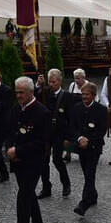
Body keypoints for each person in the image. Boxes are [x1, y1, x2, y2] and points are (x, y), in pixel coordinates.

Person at [6, 77, 50, 223]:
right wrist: (10, 148)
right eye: (16, 92)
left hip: (33, 162)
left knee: (23, 197)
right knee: (29, 194)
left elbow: (41, 142)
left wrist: (18, 150)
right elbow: (10, 131)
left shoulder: (42, 112)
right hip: (17, 161)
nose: (18, 96)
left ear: (31, 92)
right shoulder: (15, 109)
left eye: (21, 92)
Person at [70, 82, 107, 216]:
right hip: (80, 147)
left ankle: (84, 204)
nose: (84, 97)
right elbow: (72, 127)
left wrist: (89, 141)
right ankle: (93, 196)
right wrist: (80, 138)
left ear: (93, 95)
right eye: (83, 94)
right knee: (87, 174)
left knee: (90, 173)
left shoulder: (101, 110)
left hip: (94, 148)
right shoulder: (76, 108)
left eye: (87, 94)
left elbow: (102, 130)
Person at [35, 69, 73, 199]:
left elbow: (70, 118)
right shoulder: (45, 92)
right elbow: (36, 97)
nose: (51, 84)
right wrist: (38, 84)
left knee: (57, 160)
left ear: (59, 81)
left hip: (59, 133)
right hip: (46, 133)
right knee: (43, 161)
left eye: (54, 82)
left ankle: (66, 184)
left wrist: (68, 137)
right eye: (49, 81)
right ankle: (46, 187)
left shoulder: (66, 96)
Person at [65, 68, 98, 162]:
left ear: (83, 78)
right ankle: (68, 153)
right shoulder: (72, 85)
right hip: (73, 113)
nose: (76, 81)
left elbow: (96, 100)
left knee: (84, 133)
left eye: (78, 78)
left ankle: (85, 151)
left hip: (85, 113)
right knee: (71, 133)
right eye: (75, 78)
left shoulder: (89, 85)